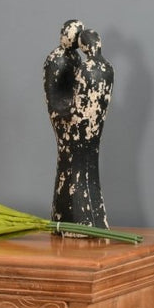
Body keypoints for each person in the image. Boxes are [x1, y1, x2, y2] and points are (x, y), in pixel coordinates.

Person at [43, 20, 113, 229]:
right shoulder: (102, 66)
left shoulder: (84, 66)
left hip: (77, 123)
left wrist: (69, 113)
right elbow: (57, 95)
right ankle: (85, 220)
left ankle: (72, 221)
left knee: (75, 164)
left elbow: (76, 100)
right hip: (77, 123)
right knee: (78, 163)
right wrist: (66, 112)